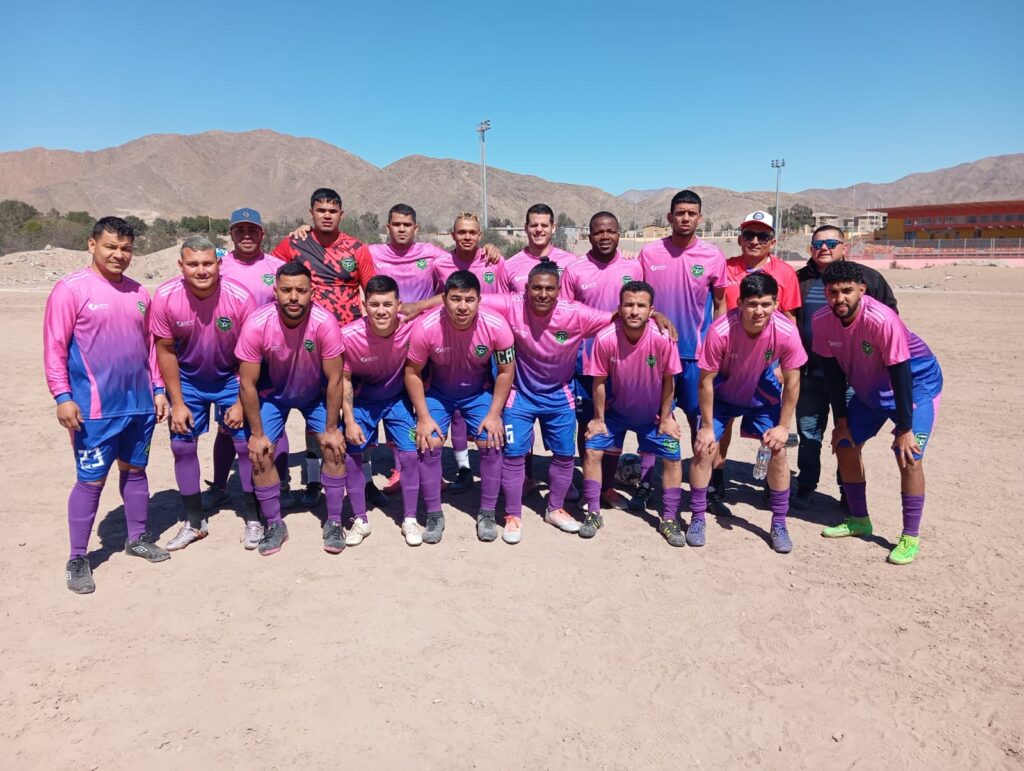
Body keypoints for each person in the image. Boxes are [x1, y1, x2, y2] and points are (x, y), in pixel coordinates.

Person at [44, 216, 170, 593]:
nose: (119, 254)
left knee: (135, 471)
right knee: (90, 481)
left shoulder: (140, 293)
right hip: (94, 411)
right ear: (92, 245)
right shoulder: (70, 290)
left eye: (126, 248)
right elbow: (54, 347)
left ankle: (137, 538)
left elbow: (151, 348)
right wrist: (62, 397)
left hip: (139, 406)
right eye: (111, 246)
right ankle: (78, 557)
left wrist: (158, 389)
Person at [359, 205, 502, 497]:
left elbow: (453, 289)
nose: (401, 229)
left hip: (438, 339)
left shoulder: (434, 255)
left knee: (449, 400)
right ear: (387, 227)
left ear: (416, 228)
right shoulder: (371, 253)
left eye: (407, 224)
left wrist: (491, 248)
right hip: (389, 339)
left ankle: (463, 466)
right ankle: (398, 467)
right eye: (396, 224)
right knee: (396, 400)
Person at [812, 261, 942, 565]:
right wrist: (841, 422)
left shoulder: (882, 319)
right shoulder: (821, 321)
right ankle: (859, 520)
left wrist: (905, 429)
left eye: (847, 291)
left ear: (862, 290)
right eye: (833, 292)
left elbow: (901, 373)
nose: (839, 298)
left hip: (915, 386)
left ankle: (909, 536)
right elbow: (833, 376)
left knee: (908, 455)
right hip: (870, 388)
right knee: (845, 444)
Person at [482, 262, 613, 541]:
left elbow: (618, 317)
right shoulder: (512, 304)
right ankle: (513, 515)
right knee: (514, 455)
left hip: (560, 396)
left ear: (559, 290)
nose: (543, 294)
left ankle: (554, 509)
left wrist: (657, 316)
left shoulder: (575, 313)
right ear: (526, 289)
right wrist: (415, 309)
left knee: (565, 455)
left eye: (549, 289)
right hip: (520, 395)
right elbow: (467, 298)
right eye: (537, 288)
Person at [150, 236, 257, 550]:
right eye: (193, 264)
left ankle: (253, 518)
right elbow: (165, 350)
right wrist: (177, 402)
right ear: (181, 265)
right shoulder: (166, 296)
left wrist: (241, 401)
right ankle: (194, 522)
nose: (201, 270)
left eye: (207, 263)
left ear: (219, 264)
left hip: (231, 378)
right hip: (188, 381)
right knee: (182, 447)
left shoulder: (240, 297)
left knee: (245, 446)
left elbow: (252, 354)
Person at [235, 262, 347, 556]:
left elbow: (335, 379)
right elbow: (247, 383)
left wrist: (332, 429)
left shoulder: (325, 322)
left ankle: (334, 521)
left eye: (301, 290)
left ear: (312, 292)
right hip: (273, 395)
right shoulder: (257, 323)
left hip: (314, 394)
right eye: (286, 290)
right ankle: (274, 524)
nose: (293, 297)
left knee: (334, 446)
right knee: (260, 452)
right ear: (275, 291)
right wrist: (256, 434)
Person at [688, 273, 807, 553]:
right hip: (723, 392)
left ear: (775, 304)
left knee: (778, 451)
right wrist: (707, 427)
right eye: (752, 304)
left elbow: (793, 381)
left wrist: (783, 427)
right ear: (739, 303)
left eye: (766, 304)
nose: (759, 311)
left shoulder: (786, 331)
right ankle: (697, 517)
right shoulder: (720, 331)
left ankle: (779, 523)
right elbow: (705, 381)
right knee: (704, 449)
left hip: (760, 392)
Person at [272, 188, 374, 508]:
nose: (326, 215)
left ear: (341, 214)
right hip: (309, 343)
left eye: (332, 210)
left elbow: (372, 292)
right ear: (311, 213)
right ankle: (314, 479)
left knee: (356, 409)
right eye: (321, 210)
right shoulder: (293, 244)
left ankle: (365, 479)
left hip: (349, 342)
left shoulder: (357, 248)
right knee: (316, 409)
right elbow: (269, 278)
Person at [404, 271, 515, 544]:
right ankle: (433, 514)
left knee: (491, 439)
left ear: (479, 300)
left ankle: (487, 512)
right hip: (439, 394)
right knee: (428, 442)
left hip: (478, 393)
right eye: (455, 299)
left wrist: (494, 414)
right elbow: (412, 372)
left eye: (469, 299)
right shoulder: (426, 326)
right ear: (444, 299)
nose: (462, 306)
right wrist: (423, 417)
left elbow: (505, 371)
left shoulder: (497, 325)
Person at [792, 225, 898, 509]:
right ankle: (806, 485)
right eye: (817, 244)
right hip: (810, 375)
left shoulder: (869, 278)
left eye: (831, 243)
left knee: (849, 436)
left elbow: (890, 320)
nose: (824, 249)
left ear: (844, 247)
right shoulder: (799, 280)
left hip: (855, 378)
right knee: (809, 435)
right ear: (810, 249)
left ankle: (848, 492)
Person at [581, 281, 685, 546]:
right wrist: (598, 419)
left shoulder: (663, 337)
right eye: (629, 305)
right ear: (620, 308)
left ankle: (669, 518)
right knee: (592, 450)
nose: (634, 311)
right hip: (616, 413)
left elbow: (669, 380)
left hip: (652, 416)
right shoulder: (605, 338)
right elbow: (599, 382)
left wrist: (666, 418)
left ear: (651, 310)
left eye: (641, 305)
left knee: (673, 457)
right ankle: (593, 512)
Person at [207, 208, 294, 511]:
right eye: (240, 230)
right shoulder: (219, 267)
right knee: (227, 425)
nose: (246, 235)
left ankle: (281, 484)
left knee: (273, 422)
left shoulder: (277, 267)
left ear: (262, 234)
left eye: (252, 230)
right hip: (229, 360)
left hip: (271, 359)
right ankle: (219, 486)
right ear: (230, 234)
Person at [713, 210, 802, 505]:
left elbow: (790, 319)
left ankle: (772, 488)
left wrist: (783, 367)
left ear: (772, 241)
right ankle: (716, 481)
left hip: (767, 363)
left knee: (773, 430)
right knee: (722, 425)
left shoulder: (785, 272)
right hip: (729, 358)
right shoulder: (725, 268)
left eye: (762, 236)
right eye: (748, 235)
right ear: (740, 239)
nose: (754, 241)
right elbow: (718, 309)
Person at [563, 211, 649, 510]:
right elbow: (567, 316)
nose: (605, 236)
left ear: (619, 234)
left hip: (624, 362)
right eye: (598, 231)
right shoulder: (574, 270)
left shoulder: (633, 267)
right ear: (589, 235)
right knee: (588, 424)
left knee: (616, 425)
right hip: (585, 363)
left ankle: (608, 486)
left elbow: (643, 308)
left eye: (610, 231)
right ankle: (589, 486)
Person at [638, 190, 728, 439]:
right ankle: (655, 466)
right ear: (670, 217)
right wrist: (655, 315)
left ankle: (700, 465)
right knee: (657, 417)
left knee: (700, 420)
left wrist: (717, 346)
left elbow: (720, 304)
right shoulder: (649, 253)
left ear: (700, 218)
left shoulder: (713, 255)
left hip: (696, 355)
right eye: (680, 213)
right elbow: (636, 297)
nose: (685, 218)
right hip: (656, 351)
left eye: (691, 213)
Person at [339, 275, 421, 546]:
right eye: (374, 304)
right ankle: (360, 520)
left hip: (397, 399)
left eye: (388, 304)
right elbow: (344, 380)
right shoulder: (349, 336)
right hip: (364, 402)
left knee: (410, 455)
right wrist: (349, 420)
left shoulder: (412, 328)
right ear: (364, 306)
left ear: (399, 305)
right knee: (352, 455)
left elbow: (444, 304)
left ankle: (410, 518)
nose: (381, 311)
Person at [499, 203, 578, 294]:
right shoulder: (509, 266)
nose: (539, 230)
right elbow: (502, 302)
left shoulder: (571, 262)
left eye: (544, 225)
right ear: (526, 228)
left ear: (553, 228)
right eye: (534, 225)